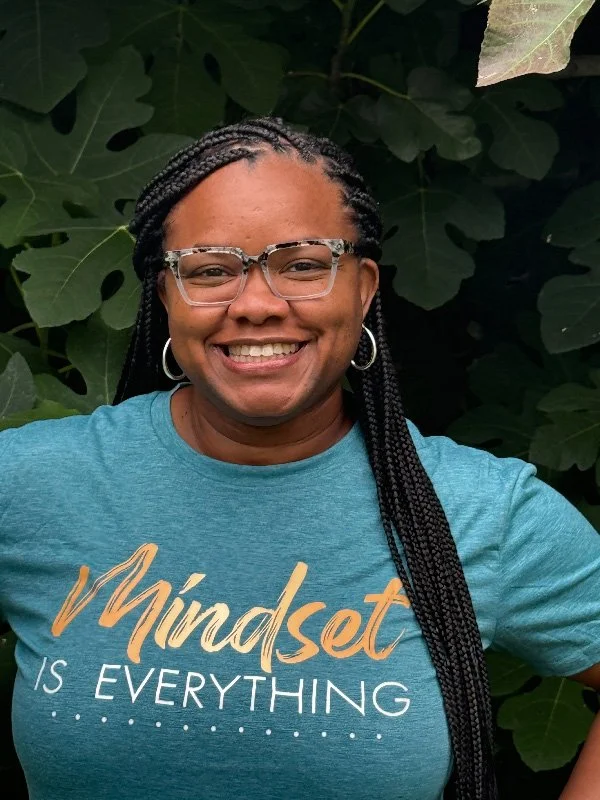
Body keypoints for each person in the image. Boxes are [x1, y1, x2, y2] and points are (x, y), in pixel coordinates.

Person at [1, 117, 599, 800]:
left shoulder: (482, 512)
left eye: (305, 265)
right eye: (211, 270)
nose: (256, 304)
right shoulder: (30, 483)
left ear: (365, 287)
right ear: (165, 295)